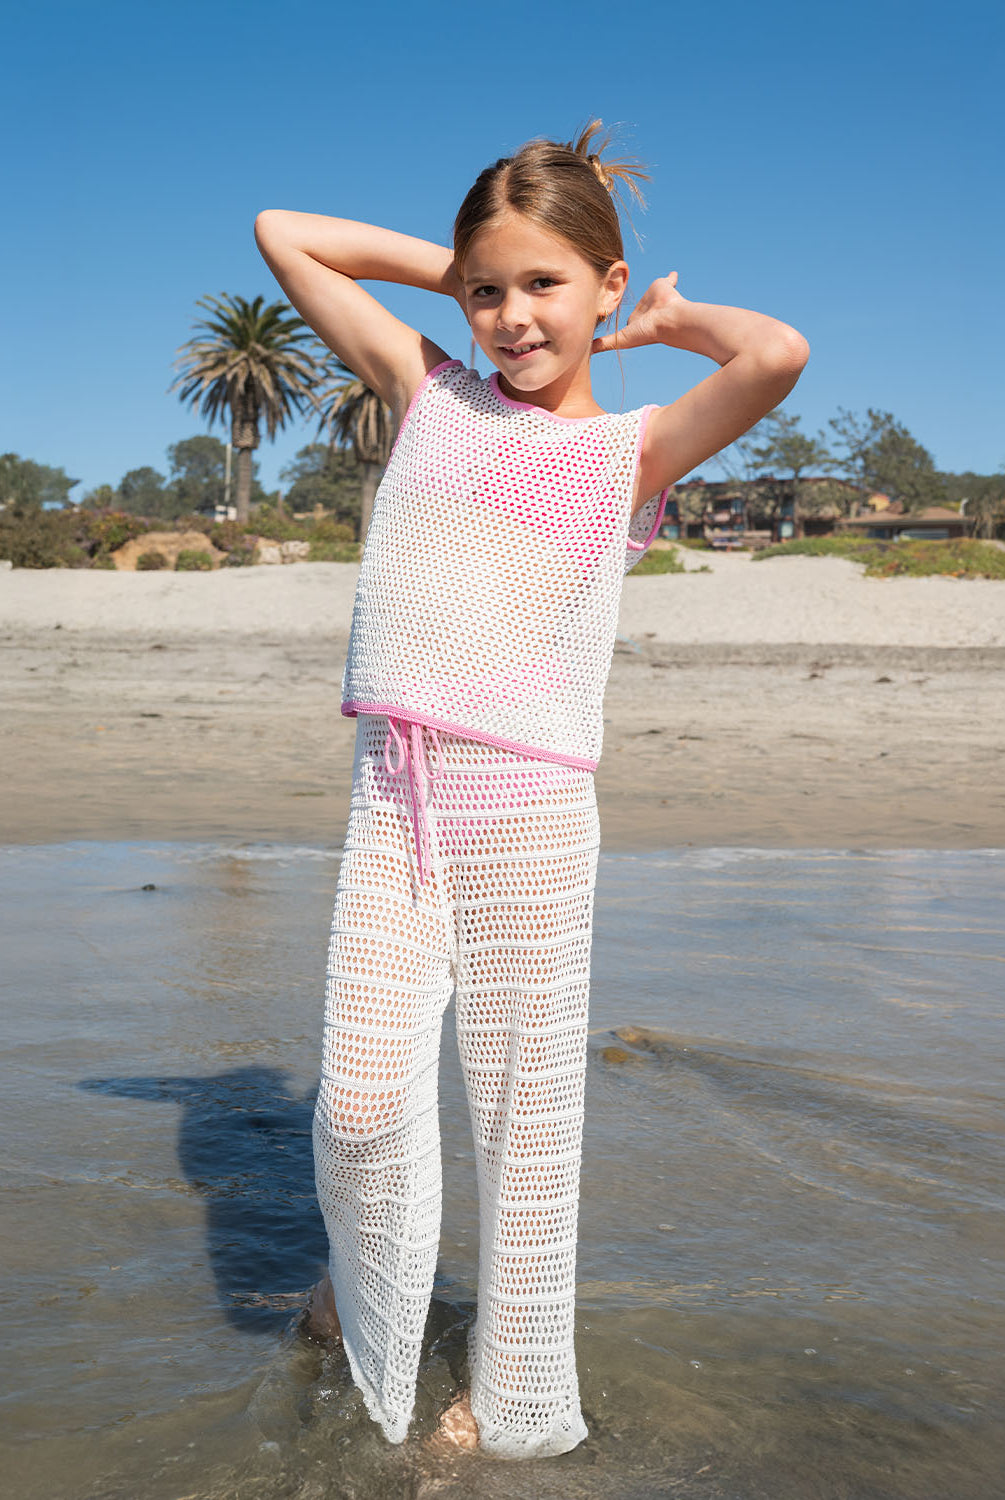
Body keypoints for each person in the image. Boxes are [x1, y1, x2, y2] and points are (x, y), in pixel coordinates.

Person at [254, 117, 809, 1461]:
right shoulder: (424, 386)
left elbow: (773, 354)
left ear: (603, 285)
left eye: (544, 285)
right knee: (362, 1101)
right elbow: (288, 234)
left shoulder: (629, 451)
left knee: (522, 1125)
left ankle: (512, 1404)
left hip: (529, 818)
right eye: (488, 289)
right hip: (395, 806)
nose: (510, 316)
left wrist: (668, 322)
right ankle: (368, 1285)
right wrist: (457, 269)